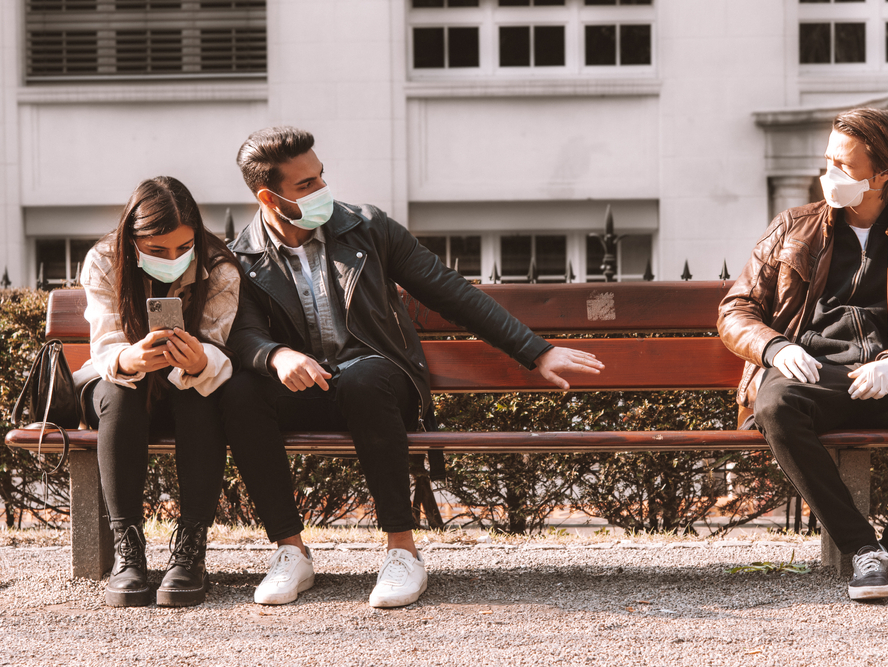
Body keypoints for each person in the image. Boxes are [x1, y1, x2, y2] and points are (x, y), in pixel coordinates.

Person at [221, 126, 604, 608]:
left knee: (364, 377)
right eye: (306, 185)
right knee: (239, 392)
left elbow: (449, 290)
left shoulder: (366, 227)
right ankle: (290, 551)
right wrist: (276, 356)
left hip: (379, 382)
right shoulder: (241, 257)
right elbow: (242, 332)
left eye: (320, 176)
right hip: (305, 387)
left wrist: (536, 350)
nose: (323, 190)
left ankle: (402, 552)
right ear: (269, 198)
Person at [718, 108, 888, 602]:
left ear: (882, 172)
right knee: (774, 404)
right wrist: (775, 347)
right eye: (828, 160)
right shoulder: (792, 227)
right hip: (813, 375)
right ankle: (863, 548)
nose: (830, 174)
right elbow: (735, 309)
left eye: (844, 165)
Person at [79, 176, 241, 607]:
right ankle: (128, 550)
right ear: (133, 241)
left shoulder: (220, 268)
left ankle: (190, 548)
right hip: (120, 394)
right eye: (157, 250)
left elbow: (218, 344)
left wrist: (200, 361)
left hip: (185, 395)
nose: (173, 259)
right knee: (121, 393)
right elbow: (104, 345)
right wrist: (130, 359)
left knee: (199, 393)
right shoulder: (104, 261)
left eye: (184, 247)